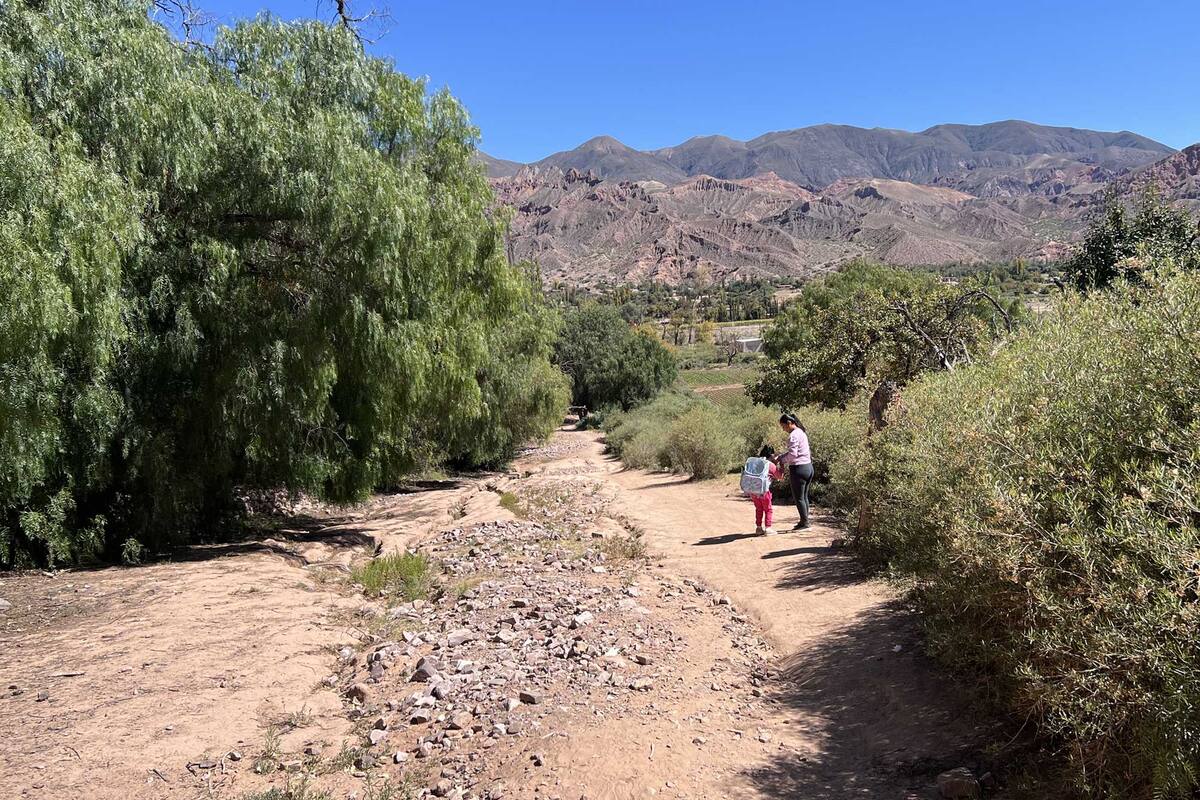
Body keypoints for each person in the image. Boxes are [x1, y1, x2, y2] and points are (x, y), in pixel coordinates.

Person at [778, 413, 813, 530]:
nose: (783, 430)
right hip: (808, 467)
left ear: (789, 423)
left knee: (799, 498)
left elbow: (792, 455)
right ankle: (804, 521)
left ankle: (805, 523)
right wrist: (781, 456)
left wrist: (781, 459)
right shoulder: (801, 432)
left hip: (799, 469)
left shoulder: (793, 435)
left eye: (783, 427)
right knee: (804, 496)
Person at [749, 445, 782, 535]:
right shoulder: (770, 465)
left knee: (759, 509)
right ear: (771, 455)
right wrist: (780, 464)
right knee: (768, 509)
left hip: (753, 490)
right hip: (764, 491)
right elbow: (780, 477)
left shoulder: (755, 463)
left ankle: (759, 528)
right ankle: (768, 528)